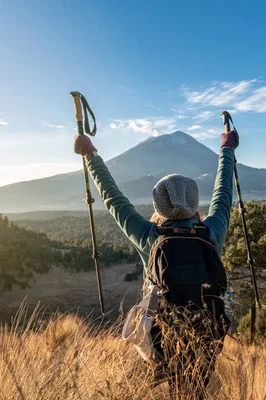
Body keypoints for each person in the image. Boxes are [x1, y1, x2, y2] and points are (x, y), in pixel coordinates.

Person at [73, 129, 239, 396]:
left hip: (161, 338)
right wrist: (227, 149)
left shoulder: (149, 236)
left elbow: (113, 198)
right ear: (195, 201)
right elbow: (224, 192)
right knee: (192, 390)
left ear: (158, 206)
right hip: (206, 336)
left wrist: (90, 155)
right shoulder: (211, 233)